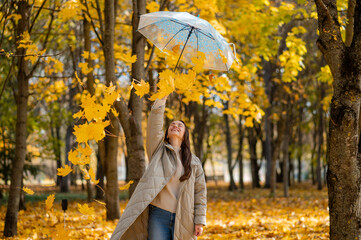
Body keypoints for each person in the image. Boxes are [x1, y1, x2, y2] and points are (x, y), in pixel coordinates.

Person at [110, 95, 207, 240]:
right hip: (158, 215)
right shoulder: (158, 151)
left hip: (184, 218)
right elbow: (154, 127)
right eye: (172, 125)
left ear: (185, 135)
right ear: (166, 134)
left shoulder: (194, 162)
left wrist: (199, 220)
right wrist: (161, 100)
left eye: (180, 126)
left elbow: (200, 193)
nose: (175, 126)